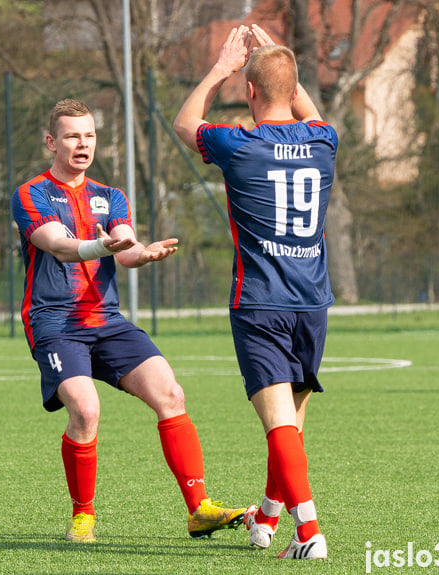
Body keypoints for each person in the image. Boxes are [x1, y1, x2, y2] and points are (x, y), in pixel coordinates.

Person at [12, 98, 246, 543]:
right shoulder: (32, 193)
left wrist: (144, 253)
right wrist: (109, 248)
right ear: (51, 142)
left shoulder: (110, 195)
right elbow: (58, 245)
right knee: (85, 410)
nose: (83, 144)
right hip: (55, 323)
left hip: (107, 320)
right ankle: (83, 516)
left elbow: (126, 245)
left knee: (171, 394)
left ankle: (199, 510)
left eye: (89, 135)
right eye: (72, 136)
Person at [173, 24, 337, 560]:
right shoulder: (324, 141)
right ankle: (268, 515)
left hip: (262, 301)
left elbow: (185, 122)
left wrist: (222, 67)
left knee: (278, 425)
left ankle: (309, 532)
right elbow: (309, 114)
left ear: (249, 92)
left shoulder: (238, 142)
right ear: (293, 89)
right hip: (312, 301)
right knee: (288, 425)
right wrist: (279, 66)